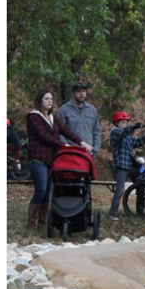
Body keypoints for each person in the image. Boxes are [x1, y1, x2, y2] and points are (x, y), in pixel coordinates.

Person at [25, 90, 91, 230]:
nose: (49, 101)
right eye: (46, 98)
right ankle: (31, 223)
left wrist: (81, 142)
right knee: (41, 189)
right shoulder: (34, 117)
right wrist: (63, 145)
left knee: (48, 191)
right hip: (37, 158)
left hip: (51, 160)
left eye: (51, 98)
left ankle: (42, 223)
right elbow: (44, 136)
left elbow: (66, 131)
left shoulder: (53, 117)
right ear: (40, 100)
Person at [107, 111, 145, 221]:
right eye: (123, 122)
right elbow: (123, 134)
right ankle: (113, 213)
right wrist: (133, 127)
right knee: (120, 189)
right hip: (121, 165)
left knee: (141, 183)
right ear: (116, 123)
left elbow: (138, 142)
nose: (125, 124)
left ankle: (140, 210)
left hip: (130, 165)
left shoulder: (127, 136)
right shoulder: (115, 132)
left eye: (126, 122)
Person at [59, 81, 102, 155]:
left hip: (89, 152)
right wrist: (66, 147)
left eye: (83, 91)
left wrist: (95, 149)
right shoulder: (64, 109)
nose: (82, 94)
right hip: (71, 151)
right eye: (78, 91)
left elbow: (96, 131)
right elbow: (59, 131)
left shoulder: (92, 110)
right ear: (73, 93)